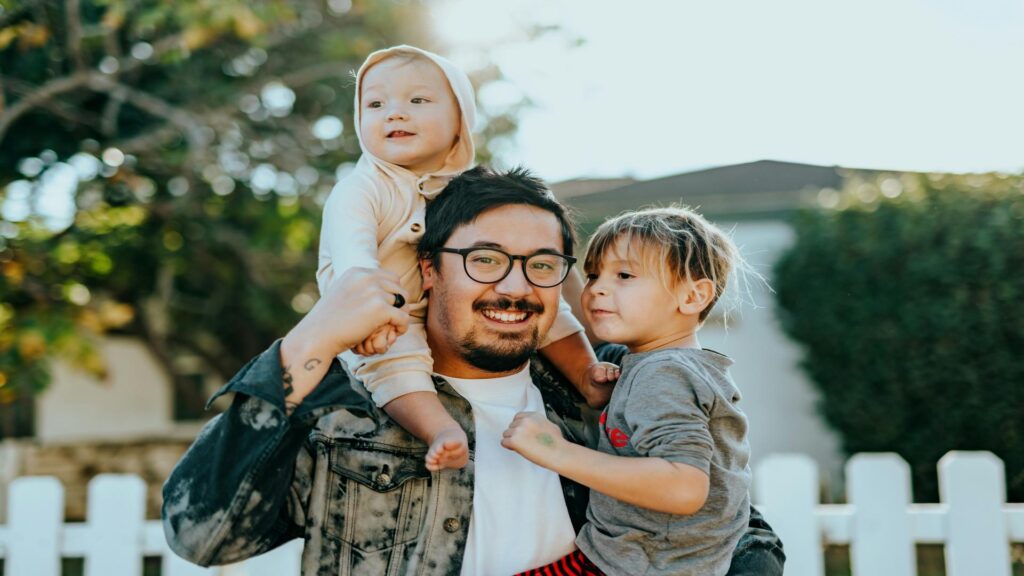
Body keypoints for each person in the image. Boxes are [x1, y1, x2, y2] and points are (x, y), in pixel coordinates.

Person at [162, 167, 785, 575]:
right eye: (485, 260)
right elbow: (203, 535)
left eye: (543, 265)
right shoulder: (340, 402)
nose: (515, 286)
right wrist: (311, 339)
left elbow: (735, 523)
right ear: (429, 271)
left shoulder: (607, 383)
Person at [316, 45, 615, 472]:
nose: (394, 114)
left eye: (417, 101)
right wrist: (370, 317)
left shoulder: (470, 191)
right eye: (376, 104)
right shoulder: (362, 189)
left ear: (461, 120)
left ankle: (586, 374)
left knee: (548, 303)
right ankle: (439, 428)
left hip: (432, 307)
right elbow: (354, 262)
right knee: (395, 365)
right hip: (379, 314)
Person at [504, 206, 754, 575]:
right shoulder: (671, 366)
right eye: (592, 274)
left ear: (692, 296)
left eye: (624, 275)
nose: (597, 288)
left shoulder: (662, 373)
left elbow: (684, 486)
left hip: (635, 565)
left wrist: (553, 450)